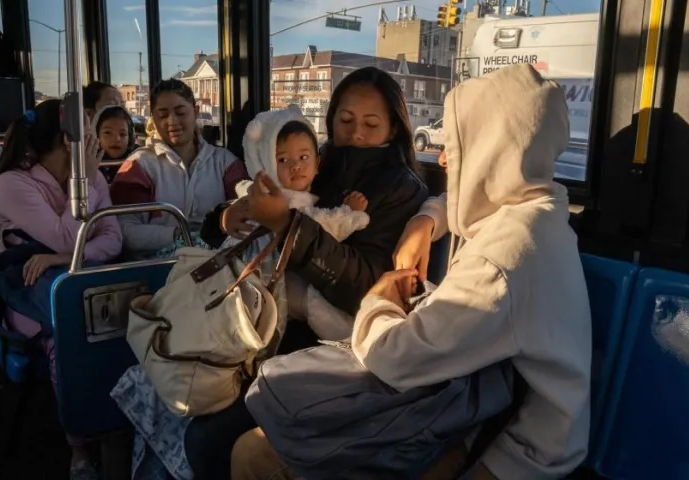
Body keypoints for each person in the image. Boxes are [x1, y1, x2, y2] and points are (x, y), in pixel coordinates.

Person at [354, 64, 592, 480]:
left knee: (260, 455)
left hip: (519, 453)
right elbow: (465, 203)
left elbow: (392, 359)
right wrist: (426, 220)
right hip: (500, 415)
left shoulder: (502, 261)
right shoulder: (540, 210)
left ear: (493, 153)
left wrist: (376, 301)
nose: (444, 159)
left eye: (460, 147)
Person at [199, 66, 428, 480]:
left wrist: (286, 226)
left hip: (338, 342)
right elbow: (256, 195)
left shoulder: (400, 187)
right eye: (345, 121)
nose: (356, 134)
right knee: (186, 390)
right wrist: (223, 218)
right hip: (276, 319)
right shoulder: (321, 161)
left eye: (371, 124)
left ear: (394, 129)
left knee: (210, 439)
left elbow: (366, 290)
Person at [0, 99, 122, 480]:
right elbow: (66, 235)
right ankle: (78, 444)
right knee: (68, 335)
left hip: (74, 278)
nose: (96, 142)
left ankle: (121, 423)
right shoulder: (12, 185)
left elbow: (113, 238)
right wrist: (89, 182)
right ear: (68, 140)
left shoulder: (87, 178)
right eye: (90, 134)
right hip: (26, 293)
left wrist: (61, 258)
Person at [225, 105, 370, 341]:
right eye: (283, 159)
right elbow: (320, 227)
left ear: (317, 163)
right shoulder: (279, 198)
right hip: (268, 277)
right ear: (266, 167)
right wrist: (351, 214)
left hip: (260, 278)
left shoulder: (270, 195)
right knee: (313, 301)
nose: (296, 166)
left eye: (304, 157)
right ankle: (357, 343)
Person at [109, 78, 247, 259]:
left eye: (181, 112)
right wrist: (178, 235)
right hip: (157, 268)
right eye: (163, 115)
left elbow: (245, 214)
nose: (172, 121)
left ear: (195, 111)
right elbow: (125, 230)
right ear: (153, 118)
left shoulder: (225, 163)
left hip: (217, 265)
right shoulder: (139, 165)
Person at [90, 104, 137, 182]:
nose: (117, 139)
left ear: (130, 138)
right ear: (96, 135)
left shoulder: (138, 163)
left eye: (122, 134)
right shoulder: (88, 165)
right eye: (108, 133)